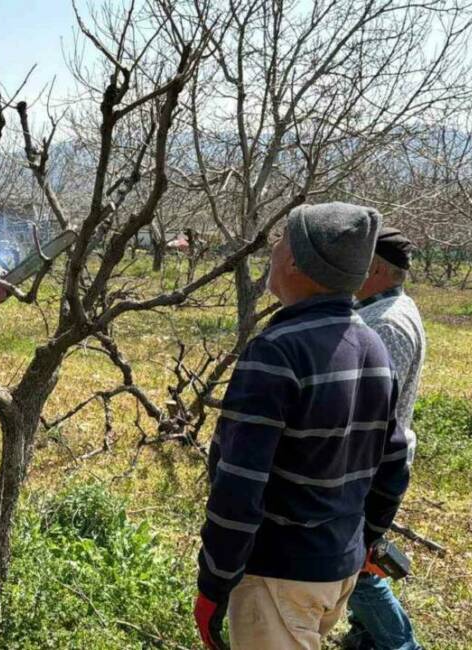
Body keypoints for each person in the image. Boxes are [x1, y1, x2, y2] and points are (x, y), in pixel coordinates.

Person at [193, 203, 411, 650]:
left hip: (279, 576)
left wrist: (214, 581)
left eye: (281, 239)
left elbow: (240, 485)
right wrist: (363, 541)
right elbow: (393, 463)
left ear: (295, 261)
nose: (272, 248)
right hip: (337, 569)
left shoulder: (277, 351)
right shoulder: (372, 345)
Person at [344, 228, 427, 650]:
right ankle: (366, 637)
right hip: (378, 460)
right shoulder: (387, 309)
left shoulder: (387, 324)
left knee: (356, 566)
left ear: (375, 268)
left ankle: (401, 646)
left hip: (374, 464)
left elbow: (374, 411)